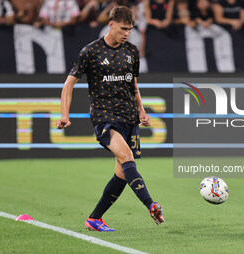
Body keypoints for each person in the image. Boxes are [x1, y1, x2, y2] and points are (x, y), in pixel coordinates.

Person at [56, 6, 164, 232]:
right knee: (126, 156)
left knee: (122, 172)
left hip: (129, 118)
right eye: (123, 29)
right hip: (104, 117)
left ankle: (95, 218)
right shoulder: (91, 51)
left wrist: (141, 111)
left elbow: (133, 85)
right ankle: (150, 204)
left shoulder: (132, 51)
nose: (127, 33)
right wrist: (65, 114)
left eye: (130, 30)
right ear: (111, 24)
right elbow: (69, 83)